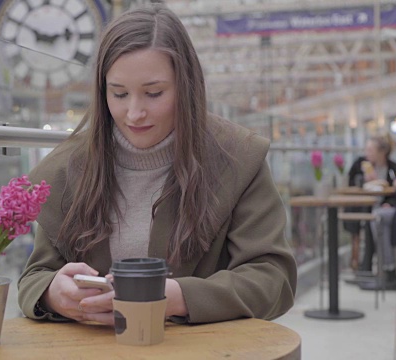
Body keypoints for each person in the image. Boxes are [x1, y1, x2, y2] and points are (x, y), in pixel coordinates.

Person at [18, 4, 296, 325]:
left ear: (186, 87)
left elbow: (274, 279)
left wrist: (177, 298)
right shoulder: (67, 169)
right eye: (119, 94)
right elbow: (34, 276)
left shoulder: (238, 158)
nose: (134, 113)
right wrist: (54, 294)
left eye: (153, 93)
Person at [343, 135, 396, 276]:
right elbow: (351, 182)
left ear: (381, 152)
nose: (367, 153)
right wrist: (363, 180)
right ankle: (366, 267)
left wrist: (389, 202)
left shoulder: (393, 169)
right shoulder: (360, 164)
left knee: (376, 219)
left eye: (370, 150)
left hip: (383, 208)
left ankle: (381, 268)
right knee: (367, 218)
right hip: (362, 206)